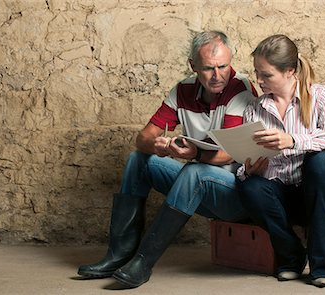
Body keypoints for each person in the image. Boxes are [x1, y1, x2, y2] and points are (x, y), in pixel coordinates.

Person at [77, 30, 257, 288]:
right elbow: (143, 138)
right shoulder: (182, 90)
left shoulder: (241, 88)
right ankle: (117, 256)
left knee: (194, 171)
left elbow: (230, 152)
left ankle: (143, 262)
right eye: (208, 68)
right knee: (139, 160)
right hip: (197, 185)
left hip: (237, 193)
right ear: (193, 66)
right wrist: (159, 146)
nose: (218, 76)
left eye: (223, 66)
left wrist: (194, 154)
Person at [236, 34, 325, 288]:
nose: (259, 81)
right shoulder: (255, 108)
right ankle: (292, 255)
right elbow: (245, 161)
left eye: (266, 75)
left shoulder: (319, 95)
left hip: (319, 195)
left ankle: (322, 266)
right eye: (257, 73)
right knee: (248, 185)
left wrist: (293, 140)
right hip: (281, 197)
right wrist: (249, 169)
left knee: (319, 161)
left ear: (290, 71)